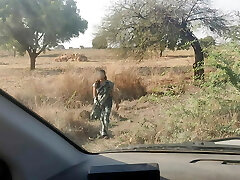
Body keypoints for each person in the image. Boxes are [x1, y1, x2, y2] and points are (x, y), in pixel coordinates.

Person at [91, 69, 119, 138]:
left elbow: (113, 94)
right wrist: (96, 102)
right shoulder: (96, 84)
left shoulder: (109, 84)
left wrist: (117, 103)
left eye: (101, 74)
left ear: (104, 75)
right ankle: (103, 132)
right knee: (101, 118)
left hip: (108, 102)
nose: (100, 75)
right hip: (99, 103)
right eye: (98, 74)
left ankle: (105, 132)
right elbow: (94, 95)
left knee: (106, 116)